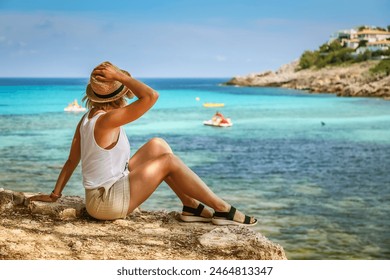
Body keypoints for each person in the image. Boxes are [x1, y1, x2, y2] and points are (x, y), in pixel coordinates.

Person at [29, 61, 257, 226]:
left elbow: (71, 161)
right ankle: (222, 209)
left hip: (103, 193)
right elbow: (151, 96)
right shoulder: (109, 119)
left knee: (158, 145)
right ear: (119, 95)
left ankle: (190, 206)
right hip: (107, 204)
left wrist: (55, 195)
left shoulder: (88, 117)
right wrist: (121, 77)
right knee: (168, 162)